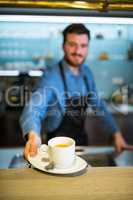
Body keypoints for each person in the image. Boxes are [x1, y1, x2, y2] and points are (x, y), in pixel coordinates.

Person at [20, 23, 129, 160]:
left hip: (82, 145)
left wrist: (116, 133)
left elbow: (98, 105)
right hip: (56, 150)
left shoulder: (87, 73)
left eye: (83, 46)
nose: (78, 51)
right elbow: (34, 107)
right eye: (72, 44)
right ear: (63, 46)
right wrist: (33, 135)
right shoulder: (50, 76)